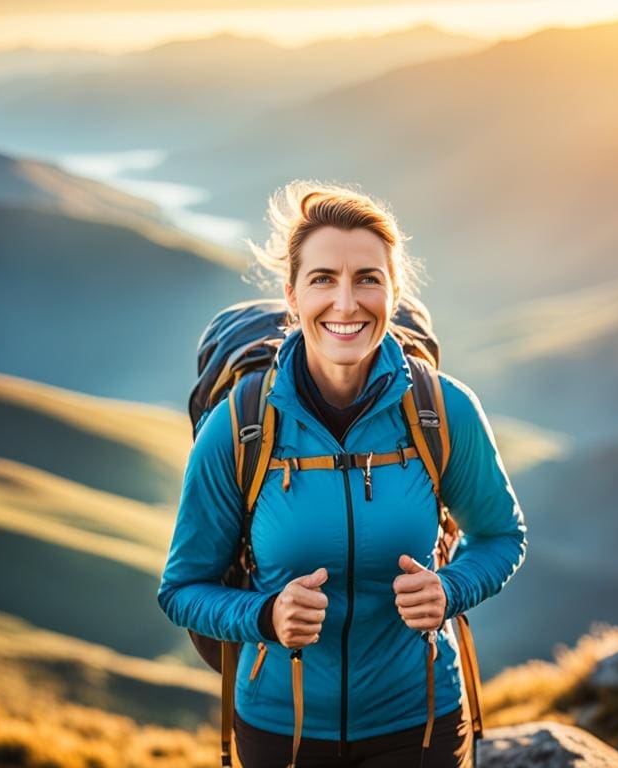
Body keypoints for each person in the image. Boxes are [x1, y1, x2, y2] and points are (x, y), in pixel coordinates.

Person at [158, 181, 527, 768]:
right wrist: (265, 616)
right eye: (323, 278)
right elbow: (181, 590)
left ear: (394, 290)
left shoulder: (441, 411)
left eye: (368, 279)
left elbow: (501, 537)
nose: (347, 303)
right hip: (282, 730)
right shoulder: (239, 427)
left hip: (422, 719)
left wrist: (450, 589)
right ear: (293, 295)